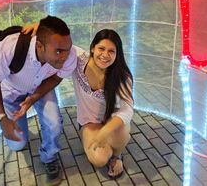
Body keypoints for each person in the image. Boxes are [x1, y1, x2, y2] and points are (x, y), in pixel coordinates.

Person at [22, 25, 134, 179]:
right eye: (101, 48)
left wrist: (105, 131)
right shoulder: (78, 58)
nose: (105, 55)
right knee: (100, 159)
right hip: (89, 122)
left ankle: (117, 156)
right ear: (93, 48)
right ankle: (105, 148)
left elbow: (127, 109)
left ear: (117, 54)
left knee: (122, 133)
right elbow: (57, 40)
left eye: (111, 51)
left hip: (111, 120)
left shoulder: (122, 75)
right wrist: (41, 26)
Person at [0, 15, 77, 186]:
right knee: (18, 144)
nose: (65, 56)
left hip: (40, 89)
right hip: (12, 93)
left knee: (54, 123)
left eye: (68, 49)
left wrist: (34, 97)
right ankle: (14, 126)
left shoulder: (68, 54)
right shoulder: (10, 48)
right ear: (40, 46)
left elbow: (57, 78)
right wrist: (2, 119)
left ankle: (49, 157)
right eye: (58, 51)